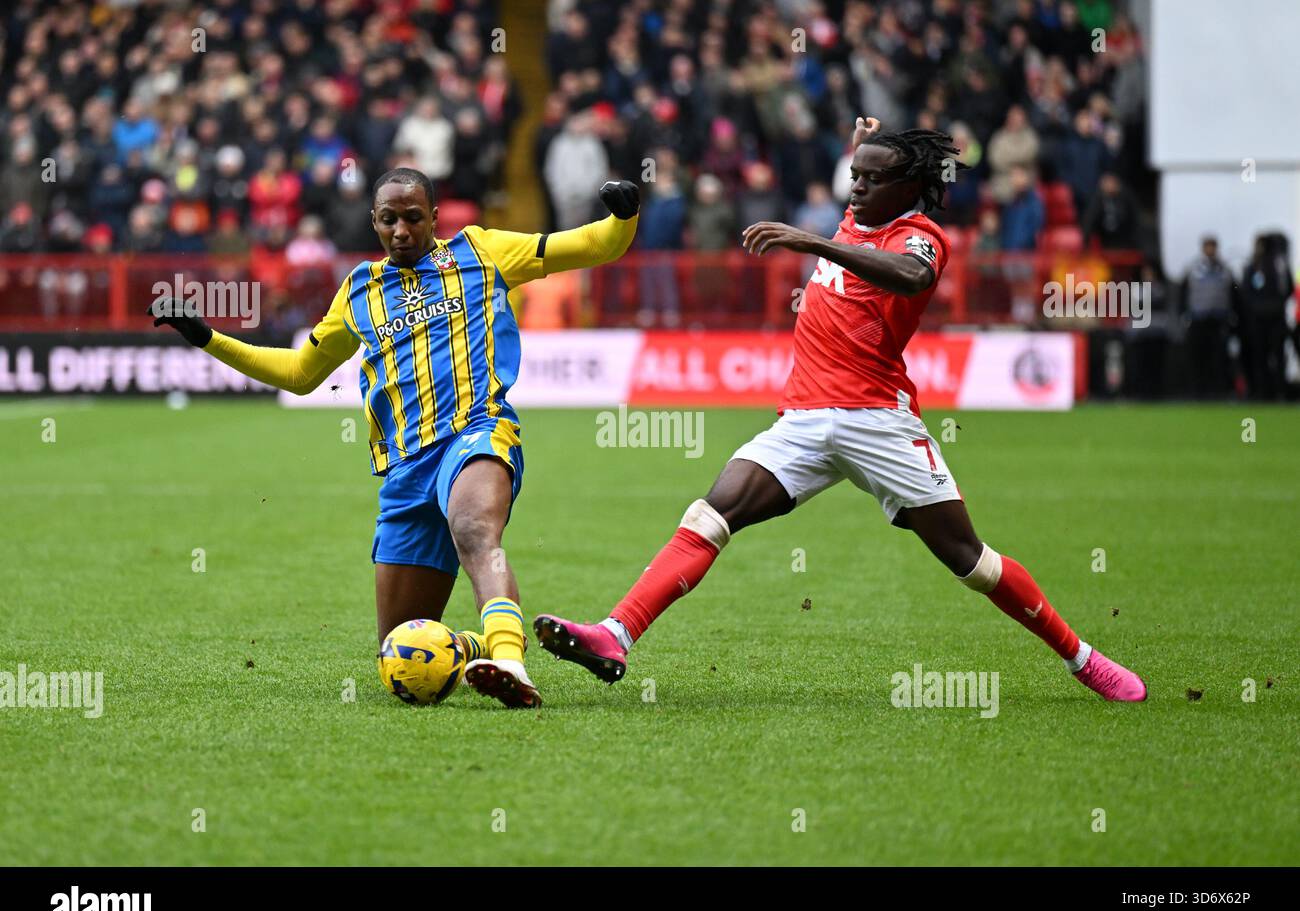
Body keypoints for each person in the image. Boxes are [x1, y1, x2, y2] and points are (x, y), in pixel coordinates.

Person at [535, 118, 1147, 704]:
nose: (856, 186)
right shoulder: (857, 218)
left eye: (871, 178)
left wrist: (813, 239)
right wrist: (858, 162)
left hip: (877, 420)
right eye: (854, 174)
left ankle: (1081, 658)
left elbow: (908, 277)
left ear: (908, 190)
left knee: (971, 561)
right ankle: (615, 636)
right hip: (802, 420)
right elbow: (857, 210)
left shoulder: (919, 238)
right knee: (711, 513)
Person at [151, 168, 641, 708]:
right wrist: (206, 337)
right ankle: (480, 643)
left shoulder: (483, 252)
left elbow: (597, 244)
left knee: (474, 527)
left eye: (413, 217)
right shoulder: (359, 290)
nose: (402, 230)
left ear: (434, 217)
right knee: (401, 654)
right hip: (406, 468)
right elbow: (299, 373)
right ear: (375, 223)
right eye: (390, 220)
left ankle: (510, 664)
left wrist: (624, 215)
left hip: (477, 432)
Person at [1179, 235, 1236, 399]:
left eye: (1213, 247)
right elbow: (1183, 294)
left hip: (1218, 319)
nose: (1210, 250)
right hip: (1198, 319)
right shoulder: (1193, 269)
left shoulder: (1225, 269)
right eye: (1207, 246)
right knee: (1198, 357)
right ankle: (1198, 391)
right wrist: (1184, 315)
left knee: (1218, 357)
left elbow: (1233, 294)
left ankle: (1218, 391)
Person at [1239, 234, 1294, 401]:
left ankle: (1280, 391)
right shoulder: (1253, 266)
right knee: (1260, 355)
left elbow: (1288, 288)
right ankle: (1262, 391)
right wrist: (1258, 307)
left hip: (1276, 317)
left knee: (1278, 355)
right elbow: (1246, 292)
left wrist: (1276, 305)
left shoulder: (1280, 266)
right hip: (1258, 319)